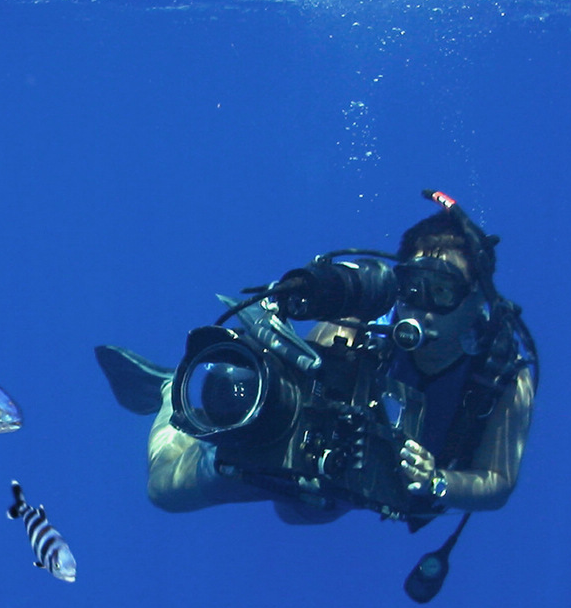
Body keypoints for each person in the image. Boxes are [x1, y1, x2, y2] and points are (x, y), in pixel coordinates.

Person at [98, 191, 537, 525]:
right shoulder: (360, 328)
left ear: (476, 300)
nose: (420, 309)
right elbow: (297, 382)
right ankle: (171, 391)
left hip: (367, 487)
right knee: (165, 490)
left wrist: (438, 482)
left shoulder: (502, 376)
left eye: (440, 292)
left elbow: (497, 482)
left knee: (301, 516)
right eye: (411, 288)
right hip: (315, 461)